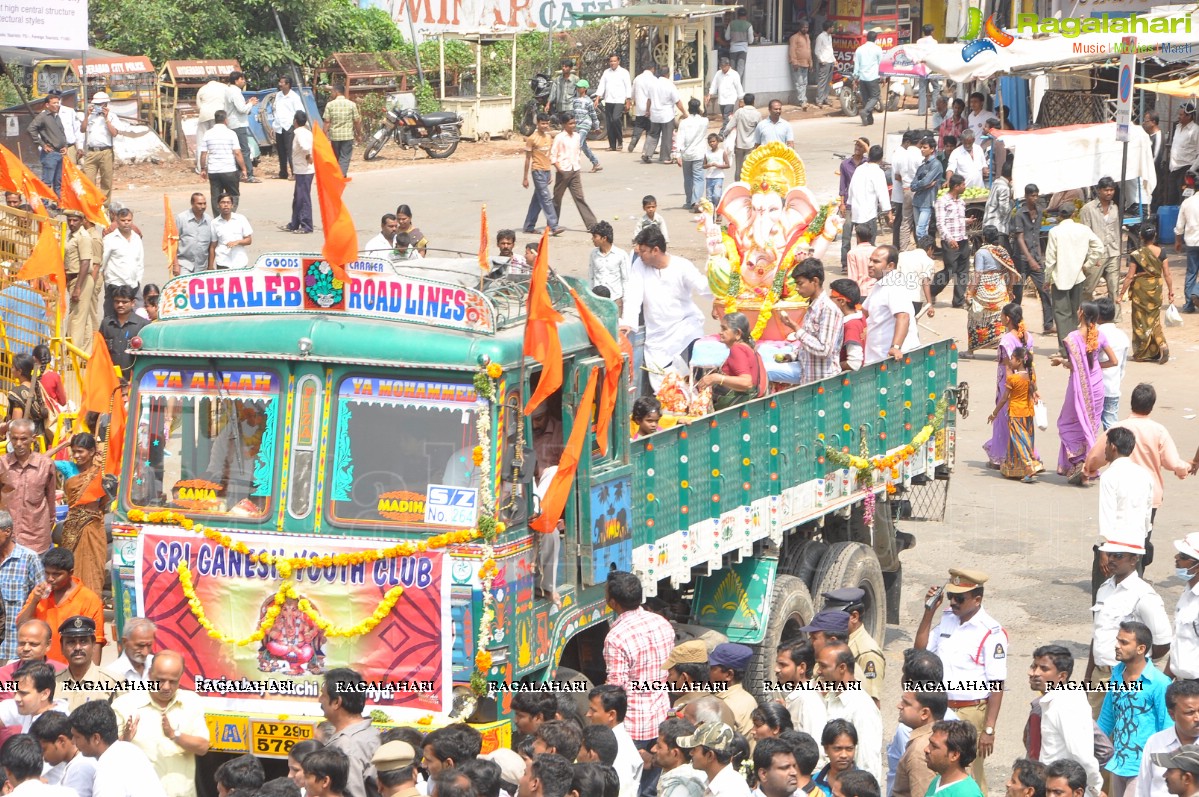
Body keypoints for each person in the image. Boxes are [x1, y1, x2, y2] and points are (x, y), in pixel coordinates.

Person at [915, 569, 1006, 792]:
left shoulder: (991, 632)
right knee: (939, 769)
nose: (953, 602)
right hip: (943, 708)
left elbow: (996, 684)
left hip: (971, 713)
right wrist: (929, 612)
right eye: (950, 597)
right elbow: (920, 652)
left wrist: (989, 730)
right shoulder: (947, 619)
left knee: (970, 775)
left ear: (977, 599)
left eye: (960, 598)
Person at [600, 571, 672, 788]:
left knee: (630, 785)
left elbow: (616, 688)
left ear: (612, 602)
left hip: (634, 725)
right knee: (652, 785)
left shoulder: (616, 637)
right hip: (660, 715)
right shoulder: (661, 623)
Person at [619, 227, 712, 392]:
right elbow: (633, 295)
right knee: (665, 386)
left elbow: (701, 286)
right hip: (658, 336)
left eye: (643, 251)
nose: (639, 255)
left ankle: (699, 405)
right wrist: (628, 321)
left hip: (685, 328)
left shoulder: (681, 266)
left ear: (655, 250)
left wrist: (720, 294)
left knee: (692, 377)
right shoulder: (639, 266)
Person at [112, 651, 210, 797]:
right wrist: (124, 740)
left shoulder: (191, 702)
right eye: (161, 680)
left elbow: (202, 747)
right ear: (150, 674)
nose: (166, 687)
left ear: (180, 678)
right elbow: (107, 754)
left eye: (173, 681)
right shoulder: (125, 705)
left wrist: (174, 735)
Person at [1099, 622, 1172, 797]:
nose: (1117, 646)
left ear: (1140, 649)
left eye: (1124, 642)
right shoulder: (1117, 674)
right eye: (1118, 640)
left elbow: (1168, 729)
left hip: (1144, 767)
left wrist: (1162, 769)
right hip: (1118, 763)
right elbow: (1107, 718)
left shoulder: (1159, 683)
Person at [1049, 302, 1118, 483]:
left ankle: (1080, 463)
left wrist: (1060, 361)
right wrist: (1094, 367)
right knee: (1090, 426)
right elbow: (1113, 361)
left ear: (1081, 314)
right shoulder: (1099, 336)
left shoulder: (1072, 338)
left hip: (1078, 386)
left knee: (1068, 422)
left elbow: (1075, 366)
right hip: (1096, 386)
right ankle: (1087, 467)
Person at [1025, 648, 1100, 796]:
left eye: (1043, 668)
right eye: (1034, 666)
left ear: (1062, 676)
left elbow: (1082, 755)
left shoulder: (1066, 704)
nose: (1033, 673)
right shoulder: (1053, 701)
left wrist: (1094, 788)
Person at [16, 548, 105, 665]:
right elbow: (21, 626)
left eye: (56, 574)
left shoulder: (89, 599)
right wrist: (34, 601)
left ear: (71, 572)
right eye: (47, 573)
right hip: (39, 669)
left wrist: (92, 678)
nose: (50, 578)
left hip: (71, 671)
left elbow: (95, 642)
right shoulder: (39, 594)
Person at [983, 305, 1041, 472]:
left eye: (1001, 316)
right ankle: (1022, 454)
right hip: (1025, 384)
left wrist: (1008, 390)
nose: (1000, 318)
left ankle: (1001, 456)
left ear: (1007, 318)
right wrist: (1034, 387)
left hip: (1009, 385)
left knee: (1004, 419)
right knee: (1021, 421)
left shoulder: (1007, 340)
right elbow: (1031, 365)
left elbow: (1008, 368)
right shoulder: (1028, 337)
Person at [817, 644, 884, 783]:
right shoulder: (831, 697)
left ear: (842, 668)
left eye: (823, 666)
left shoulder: (862, 707)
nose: (818, 671)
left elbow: (868, 762)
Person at [772, 259, 842, 385]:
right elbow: (810, 343)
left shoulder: (828, 309)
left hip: (824, 384)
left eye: (800, 284)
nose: (797, 289)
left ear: (815, 281)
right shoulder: (812, 307)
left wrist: (795, 328)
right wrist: (793, 356)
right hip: (809, 381)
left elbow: (824, 350)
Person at [1045, 208, 1105, 354]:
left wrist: (1047, 278)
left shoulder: (1055, 232)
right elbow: (1099, 247)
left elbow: (1050, 258)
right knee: (1075, 312)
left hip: (1060, 277)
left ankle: (1065, 348)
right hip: (1078, 276)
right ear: (1073, 215)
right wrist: (1087, 265)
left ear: (1059, 216)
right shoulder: (1083, 229)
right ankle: (1075, 345)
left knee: (1061, 314)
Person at [320, 668, 381, 797]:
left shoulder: (347, 746)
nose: (320, 700)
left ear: (336, 702)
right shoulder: (368, 732)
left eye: (323, 695)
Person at [0, 421, 57, 556]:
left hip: (36, 541)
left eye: (23, 439)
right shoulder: (2, 464)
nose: (18, 443)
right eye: (14, 438)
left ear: (33, 438)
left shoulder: (45, 465)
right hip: (7, 539)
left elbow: (51, 502)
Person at [1121, 225, 1173, 362]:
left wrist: (1121, 294)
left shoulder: (1137, 254)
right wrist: (1171, 291)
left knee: (1140, 321)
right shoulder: (1162, 253)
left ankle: (1142, 353)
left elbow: (1129, 277)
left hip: (1141, 291)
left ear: (1141, 237)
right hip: (1156, 289)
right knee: (1154, 319)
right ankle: (1160, 345)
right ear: (1154, 236)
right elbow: (1167, 274)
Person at [1137, 681, 1199, 797]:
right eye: (1190, 712)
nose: (1197, 718)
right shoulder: (1155, 742)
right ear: (1172, 714)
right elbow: (1142, 788)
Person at [986, 347, 1038, 482]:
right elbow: (1033, 391)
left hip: (1016, 413)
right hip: (1028, 413)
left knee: (1019, 441)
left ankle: (1029, 465)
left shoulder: (1013, 379)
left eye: (1013, 359)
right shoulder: (1030, 375)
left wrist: (994, 413)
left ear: (1019, 361)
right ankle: (1016, 469)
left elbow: (1004, 399)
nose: (1010, 362)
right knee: (1024, 440)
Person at [696, 312, 768, 411]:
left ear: (737, 334)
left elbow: (746, 382)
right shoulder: (748, 348)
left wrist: (716, 378)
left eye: (724, 329)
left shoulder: (737, 349)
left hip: (737, 411)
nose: (720, 332)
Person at [965, 226, 1018, 355]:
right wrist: (1010, 288)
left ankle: (971, 350)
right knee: (1000, 320)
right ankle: (1001, 351)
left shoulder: (981, 253)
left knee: (974, 318)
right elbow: (1012, 272)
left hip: (984, 287)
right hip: (999, 286)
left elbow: (978, 274)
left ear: (984, 237)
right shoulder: (1002, 251)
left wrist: (970, 292)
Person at [862, 245, 919, 364]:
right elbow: (864, 312)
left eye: (876, 261)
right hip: (877, 358)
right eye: (870, 260)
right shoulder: (880, 285)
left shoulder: (894, 286)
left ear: (890, 266)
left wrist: (895, 347)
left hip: (890, 360)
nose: (870, 264)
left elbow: (903, 316)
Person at [584, 688, 639, 797]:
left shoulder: (621, 751)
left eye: (593, 710)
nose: (588, 714)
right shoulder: (609, 740)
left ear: (611, 715)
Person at [55, 616, 118, 711]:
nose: (77, 647)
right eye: (71, 642)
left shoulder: (112, 682)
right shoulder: (53, 683)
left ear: (93, 645)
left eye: (83, 641)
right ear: (62, 647)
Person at [1079, 177, 1123, 313]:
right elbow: (1085, 234)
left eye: (1111, 190)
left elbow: (1116, 230)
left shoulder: (1115, 208)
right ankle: (1086, 316)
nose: (1109, 193)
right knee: (1088, 289)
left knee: (1114, 288)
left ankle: (1114, 319)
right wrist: (1090, 257)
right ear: (1099, 191)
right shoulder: (1088, 209)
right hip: (1096, 256)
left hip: (1113, 253)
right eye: (1106, 190)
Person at [893, 690, 947, 797]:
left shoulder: (921, 750)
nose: (899, 706)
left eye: (906, 703)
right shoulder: (947, 735)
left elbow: (923, 793)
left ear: (924, 713)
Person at [31, 709, 99, 795]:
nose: (42, 757)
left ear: (61, 741)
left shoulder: (81, 768)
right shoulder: (75, 764)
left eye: (43, 750)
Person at [551, 114, 599, 232]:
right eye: (570, 123)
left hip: (575, 170)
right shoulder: (560, 137)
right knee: (557, 198)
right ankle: (552, 224)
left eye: (574, 123)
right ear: (564, 124)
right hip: (563, 171)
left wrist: (577, 165)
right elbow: (553, 155)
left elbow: (578, 152)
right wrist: (560, 169)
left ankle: (592, 224)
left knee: (579, 197)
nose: (573, 126)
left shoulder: (577, 136)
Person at [676, 722, 749, 797]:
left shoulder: (730, 791)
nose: (691, 753)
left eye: (694, 749)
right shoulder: (716, 781)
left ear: (710, 755)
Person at [101, 207, 146, 320]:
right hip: (115, 284)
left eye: (128, 220)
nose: (126, 223)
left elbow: (140, 261)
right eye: (123, 220)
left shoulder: (136, 239)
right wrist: (107, 281)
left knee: (139, 314)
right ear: (117, 221)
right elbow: (103, 262)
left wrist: (138, 280)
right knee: (112, 316)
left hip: (133, 285)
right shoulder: (110, 239)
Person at [933, 175, 970, 309]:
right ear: (956, 186)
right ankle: (932, 290)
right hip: (950, 242)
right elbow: (940, 223)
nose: (965, 187)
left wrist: (967, 221)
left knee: (963, 271)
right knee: (950, 270)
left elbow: (957, 219)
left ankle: (958, 301)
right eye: (963, 185)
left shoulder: (961, 201)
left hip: (962, 239)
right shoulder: (942, 201)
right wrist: (949, 239)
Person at [1093, 297, 1131, 429]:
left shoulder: (1097, 335)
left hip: (1097, 386)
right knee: (1111, 424)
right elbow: (1122, 365)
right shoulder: (1122, 336)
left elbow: (1091, 360)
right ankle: (1115, 448)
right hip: (1113, 386)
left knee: (1091, 424)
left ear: (1097, 316)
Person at [200, 110, 247, 213]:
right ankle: (230, 215)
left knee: (216, 197)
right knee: (233, 194)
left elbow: (203, 154)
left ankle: (218, 219)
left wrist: (203, 169)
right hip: (229, 169)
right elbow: (237, 153)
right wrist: (244, 169)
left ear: (215, 120)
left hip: (214, 171)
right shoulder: (231, 133)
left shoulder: (208, 134)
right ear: (226, 120)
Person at [522, 113, 562, 236]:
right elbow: (528, 159)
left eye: (547, 123)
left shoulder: (548, 138)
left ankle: (529, 226)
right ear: (537, 124)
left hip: (545, 171)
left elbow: (547, 156)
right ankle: (554, 226)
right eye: (542, 123)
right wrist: (525, 178)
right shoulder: (532, 139)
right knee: (545, 198)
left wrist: (549, 172)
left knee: (537, 200)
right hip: (537, 171)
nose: (545, 126)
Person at [846, 145, 891, 251]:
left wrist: (850, 204)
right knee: (869, 245)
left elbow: (851, 188)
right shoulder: (878, 172)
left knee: (860, 243)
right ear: (881, 158)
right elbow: (883, 193)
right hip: (869, 214)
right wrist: (888, 211)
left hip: (857, 214)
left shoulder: (859, 169)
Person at [924, 721, 984, 797]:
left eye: (934, 746)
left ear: (954, 755)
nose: (926, 749)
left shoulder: (967, 794)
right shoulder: (937, 781)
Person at [83, 91, 122, 203]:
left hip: (106, 151)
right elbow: (82, 129)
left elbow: (114, 133)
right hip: (91, 151)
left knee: (106, 180)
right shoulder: (90, 116)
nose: (98, 107)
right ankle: (90, 204)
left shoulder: (112, 116)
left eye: (100, 104)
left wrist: (106, 119)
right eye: (96, 104)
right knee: (88, 180)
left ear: (105, 105)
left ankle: (104, 206)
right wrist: (87, 116)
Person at [99, 286, 149, 373]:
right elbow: (100, 351)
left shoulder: (143, 325)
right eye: (117, 302)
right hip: (110, 376)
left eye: (124, 302)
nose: (120, 305)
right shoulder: (106, 324)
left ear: (133, 303)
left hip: (134, 377)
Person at [652, 718, 705, 797]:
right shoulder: (673, 772)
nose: (653, 749)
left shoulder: (681, 790)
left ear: (675, 753)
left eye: (659, 746)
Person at [29, 91, 68, 197]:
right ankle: (44, 207)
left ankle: (59, 205)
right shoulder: (43, 116)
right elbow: (31, 129)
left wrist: (65, 146)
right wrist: (42, 144)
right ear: (47, 105)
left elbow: (61, 133)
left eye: (58, 102)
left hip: (60, 153)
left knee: (58, 182)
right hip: (50, 154)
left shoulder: (56, 116)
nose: (57, 105)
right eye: (54, 103)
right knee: (47, 182)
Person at [643, 67, 684, 166]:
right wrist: (685, 112)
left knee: (653, 134)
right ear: (668, 74)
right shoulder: (670, 85)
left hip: (655, 114)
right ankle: (665, 157)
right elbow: (677, 101)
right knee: (667, 136)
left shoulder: (653, 84)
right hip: (667, 115)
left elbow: (649, 100)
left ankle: (647, 153)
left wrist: (647, 110)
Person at [224, 72, 260, 184]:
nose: (244, 81)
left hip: (232, 123)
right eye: (241, 79)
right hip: (238, 124)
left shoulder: (229, 90)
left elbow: (239, 107)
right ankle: (249, 174)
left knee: (235, 150)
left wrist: (247, 103)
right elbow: (242, 109)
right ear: (236, 81)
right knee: (244, 150)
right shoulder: (235, 92)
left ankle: (238, 173)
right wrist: (251, 104)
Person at [674, 99, 708, 210]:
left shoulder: (684, 122)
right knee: (698, 178)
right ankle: (696, 201)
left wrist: (677, 154)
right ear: (698, 108)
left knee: (688, 178)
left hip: (686, 154)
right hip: (699, 153)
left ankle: (689, 201)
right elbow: (704, 115)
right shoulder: (704, 121)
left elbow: (680, 138)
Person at [284, 111, 314, 234]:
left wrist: (308, 156)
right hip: (302, 169)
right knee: (298, 197)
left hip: (304, 170)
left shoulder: (300, 133)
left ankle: (306, 225)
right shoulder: (307, 132)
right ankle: (294, 223)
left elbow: (305, 146)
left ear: (295, 121)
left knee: (303, 198)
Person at [588, 222, 629, 312]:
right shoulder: (593, 254)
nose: (592, 239)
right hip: (597, 301)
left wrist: (626, 302)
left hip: (615, 301)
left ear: (604, 238)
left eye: (595, 236)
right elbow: (591, 277)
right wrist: (591, 297)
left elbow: (626, 280)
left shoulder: (621, 255)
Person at [594, 55, 632, 152]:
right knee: (609, 122)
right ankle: (612, 145)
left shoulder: (624, 72)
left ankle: (620, 140)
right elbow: (601, 85)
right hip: (609, 100)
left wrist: (628, 101)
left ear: (618, 61)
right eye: (611, 61)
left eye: (614, 61)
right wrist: (597, 98)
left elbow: (628, 87)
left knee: (615, 119)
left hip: (619, 100)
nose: (612, 63)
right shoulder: (606, 72)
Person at [322, 84, 361, 177]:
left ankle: (340, 174)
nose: (331, 94)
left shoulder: (330, 105)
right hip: (347, 136)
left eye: (332, 92)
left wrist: (324, 135)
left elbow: (327, 122)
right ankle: (341, 175)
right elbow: (357, 121)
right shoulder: (351, 104)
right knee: (345, 157)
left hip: (335, 137)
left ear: (336, 92)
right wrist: (359, 134)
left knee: (337, 156)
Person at [910, 137, 944, 242]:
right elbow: (912, 186)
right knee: (918, 230)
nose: (922, 149)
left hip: (927, 202)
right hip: (917, 201)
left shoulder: (936, 164)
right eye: (921, 147)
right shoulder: (922, 165)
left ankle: (924, 252)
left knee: (921, 230)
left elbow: (925, 181)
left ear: (932, 149)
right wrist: (924, 185)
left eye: (925, 147)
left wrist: (922, 184)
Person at [172, 193, 214, 275]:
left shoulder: (210, 221)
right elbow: (173, 243)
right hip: (184, 265)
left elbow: (211, 246)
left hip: (202, 267)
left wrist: (210, 266)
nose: (203, 206)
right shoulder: (181, 218)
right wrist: (175, 264)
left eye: (204, 203)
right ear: (192, 204)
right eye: (199, 204)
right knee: (185, 287)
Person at [103, 618, 155, 684]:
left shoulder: (157, 665)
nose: (145, 652)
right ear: (125, 642)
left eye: (149, 645)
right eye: (140, 645)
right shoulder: (111, 674)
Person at [814, 719, 858, 797]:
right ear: (826, 749)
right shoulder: (815, 782)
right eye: (838, 749)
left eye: (849, 749)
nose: (844, 755)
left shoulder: (865, 784)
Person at [272, 77, 305, 180]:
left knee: (290, 150)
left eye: (282, 82)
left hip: (289, 126)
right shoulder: (278, 95)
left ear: (288, 84)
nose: (280, 84)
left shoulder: (294, 97)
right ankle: (283, 173)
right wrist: (274, 126)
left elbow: (300, 111)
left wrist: (296, 126)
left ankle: (294, 173)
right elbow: (276, 111)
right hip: (279, 126)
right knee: (281, 151)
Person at [1167, 103, 1199, 207]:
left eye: (1181, 115)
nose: (1178, 117)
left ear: (1189, 116)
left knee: (1183, 199)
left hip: (1186, 169)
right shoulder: (1177, 127)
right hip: (1173, 168)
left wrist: (1192, 170)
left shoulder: (1195, 130)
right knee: (1170, 198)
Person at [211, 193, 254, 270]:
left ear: (232, 205)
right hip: (222, 262)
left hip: (240, 262)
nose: (226, 205)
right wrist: (210, 265)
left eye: (228, 202)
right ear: (218, 205)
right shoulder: (214, 223)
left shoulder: (241, 219)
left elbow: (249, 240)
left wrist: (237, 242)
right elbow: (213, 245)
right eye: (223, 202)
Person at [724, 95, 762, 181]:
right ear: (753, 102)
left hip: (739, 145)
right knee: (749, 167)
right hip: (751, 146)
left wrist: (724, 135)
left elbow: (729, 127)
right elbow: (760, 130)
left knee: (738, 169)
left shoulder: (739, 112)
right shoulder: (757, 114)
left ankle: (738, 186)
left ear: (744, 102)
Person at [1174, 185, 1199, 312]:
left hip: (1191, 243)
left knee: (1191, 273)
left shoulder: (1187, 202)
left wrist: (1178, 241)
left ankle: (1189, 304)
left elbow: (1179, 225)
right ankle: (1197, 292)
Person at [569, 80, 602, 173]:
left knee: (577, 144)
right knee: (583, 146)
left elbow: (593, 115)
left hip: (585, 125)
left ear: (585, 89)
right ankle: (596, 163)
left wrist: (597, 127)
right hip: (577, 125)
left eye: (580, 87)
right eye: (578, 87)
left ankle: (573, 166)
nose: (578, 89)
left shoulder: (588, 101)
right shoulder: (574, 100)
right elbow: (572, 113)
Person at [852, 31, 883, 126]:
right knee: (875, 97)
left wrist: (855, 77)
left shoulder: (859, 49)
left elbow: (856, 65)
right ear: (876, 39)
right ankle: (865, 112)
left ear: (866, 38)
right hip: (873, 77)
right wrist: (883, 76)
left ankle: (869, 120)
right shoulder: (878, 49)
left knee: (866, 99)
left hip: (862, 77)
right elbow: (880, 63)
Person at [983, 161, 1013, 250]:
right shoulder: (1004, 188)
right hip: (998, 228)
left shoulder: (997, 182)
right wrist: (1012, 202)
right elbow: (1004, 210)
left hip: (990, 224)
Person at [705, 58, 744, 126]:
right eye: (721, 66)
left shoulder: (734, 74)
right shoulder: (718, 73)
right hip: (721, 100)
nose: (722, 68)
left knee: (727, 117)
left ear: (728, 65)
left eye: (724, 66)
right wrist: (709, 94)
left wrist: (741, 99)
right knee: (725, 117)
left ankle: (722, 133)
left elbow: (738, 87)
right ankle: (727, 131)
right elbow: (714, 84)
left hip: (730, 100)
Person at [629, 64, 657, 154]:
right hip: (651, 107)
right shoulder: (654, 79)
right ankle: (647, 148)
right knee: (650, 128)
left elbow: (632, 93)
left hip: (640, 107)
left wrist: (632, 101)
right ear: (652, 69)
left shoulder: (637, 78)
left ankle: (634, 138)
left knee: (639, 125)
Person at [788, 24, 813, 109]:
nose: (805, 29)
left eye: (807, 27)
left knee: (804, 83)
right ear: (799, 27)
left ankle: (804, 100)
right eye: (803, 27)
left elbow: (809, 51)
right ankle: (802, 101)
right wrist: (794, 62)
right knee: (799, 83)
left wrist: (811, 63)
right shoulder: (794, 37)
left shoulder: (807, 37)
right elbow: (792, 50)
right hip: (797, 64)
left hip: (806, 63)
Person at [703, 134, 730, 208]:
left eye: (713, 141)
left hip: (718, 177)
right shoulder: (707, 153)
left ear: (718, 142)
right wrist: (709, 165)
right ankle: (711, 214)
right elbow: (703, 166)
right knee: (709, 198)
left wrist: (718, 166)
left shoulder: (722, 152)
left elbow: (728, 165)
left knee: (717, 196)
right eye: (710, 142)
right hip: (709, 177)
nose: (712, 143)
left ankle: (719, 211)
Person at [813, 21, 835, 107]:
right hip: (824, 62)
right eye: (832, 27)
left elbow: (830, 49)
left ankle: (825, 98)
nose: (833, 29)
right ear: (828, 28)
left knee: (828, 82)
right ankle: (819, 99)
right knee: (822, 81)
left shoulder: (830, 37)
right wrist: (822, 60)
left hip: (830, 61)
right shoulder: (820, 37)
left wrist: (834, 60)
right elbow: (817, 50)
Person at [726, 9, 754, 76]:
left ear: (737, 15)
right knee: (740, 71)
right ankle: (738, 85)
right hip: (743, 50)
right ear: (746, 16)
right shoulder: (749, 25)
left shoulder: (731, 24)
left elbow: (727, 37)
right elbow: (751, 41)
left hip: (733, 50)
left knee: (732, 71)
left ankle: (732, 86)